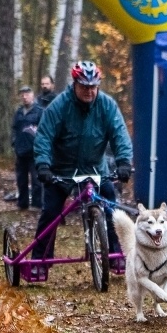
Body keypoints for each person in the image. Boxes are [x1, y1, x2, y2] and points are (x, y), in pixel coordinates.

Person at [32, 60, 133, 271]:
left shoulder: (107, 105)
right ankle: (40, 261)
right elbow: (44, 137)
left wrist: (124, 162)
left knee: (111, 208)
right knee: (51, 213)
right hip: (62, 171)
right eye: (84, 86)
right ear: (75, 84)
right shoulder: (60, 106)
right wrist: (43, 165)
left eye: (93, 86)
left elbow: (119, 135)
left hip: (95, 170)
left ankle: (116, 254)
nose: (89, 91)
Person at [12, 85, 44, 210]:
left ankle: (36, 204)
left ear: (32, 95)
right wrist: (14, 142)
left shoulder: (39, 111)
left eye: (27, 94)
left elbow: (44, 130)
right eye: (22, 95)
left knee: (36, 180)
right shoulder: (19, 112)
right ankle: (22, 203)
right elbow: (14, 128)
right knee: (21, 179)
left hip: (34, 152)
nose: (24, 97)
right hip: (20, 151)